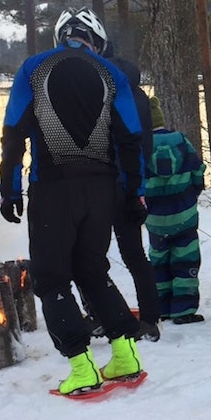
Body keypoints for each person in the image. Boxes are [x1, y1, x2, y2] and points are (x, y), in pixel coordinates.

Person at [0, 6, 146, 395]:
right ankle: (125, 356)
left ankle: (82, 368)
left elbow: (13, 133)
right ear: (97, 41)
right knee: (93, 271)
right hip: (101, 189)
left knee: (52, 278)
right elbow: (131, 137)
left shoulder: (33, 68)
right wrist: (135, 193)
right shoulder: (111, 73)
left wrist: (9, 189)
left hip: (53, 189)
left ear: (60, 36)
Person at [89, 42, 162, 343]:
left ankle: (103, 314)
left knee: (91, 256)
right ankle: (149, 319)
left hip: (104, 184)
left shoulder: (102, 92)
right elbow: (144, 144)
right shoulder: (138, 94)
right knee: (134, 255)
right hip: (131, 185)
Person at [143, 96, 207, 324]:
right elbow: (198, 170)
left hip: (155, 220)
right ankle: (183, 310)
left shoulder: (141, 146)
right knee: (185, 261)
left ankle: (162, 307)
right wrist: (192, 193)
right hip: (184, 216)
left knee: (159, 262)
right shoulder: (180, 141)